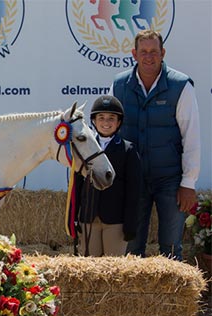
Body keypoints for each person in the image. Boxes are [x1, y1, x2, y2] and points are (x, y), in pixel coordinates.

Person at [111, 29, 201, 260]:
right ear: (134, 54)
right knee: (131, 249)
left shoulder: (181, 86)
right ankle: (133, 297)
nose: (149, 56)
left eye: (154, 51)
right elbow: (108, 132)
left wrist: (188, 183)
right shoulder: (119, 85)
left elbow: (191, 137)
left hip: (170, 180)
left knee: (171, 250)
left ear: (163, 53)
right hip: (133, 180)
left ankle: (173, 297)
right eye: (144, 51)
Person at [75, 95, 141, 257]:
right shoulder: (84, 148)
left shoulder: (128, 150)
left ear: (119, 122)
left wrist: (130, 224)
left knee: (113, 270)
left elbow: (134, 190)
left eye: (111, 118)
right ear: (94, 121)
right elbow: (76, 185)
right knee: (89, 269)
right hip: (88, 218)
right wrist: (75, 218)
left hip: (115, 220)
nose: (106, 122)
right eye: (101, 118)